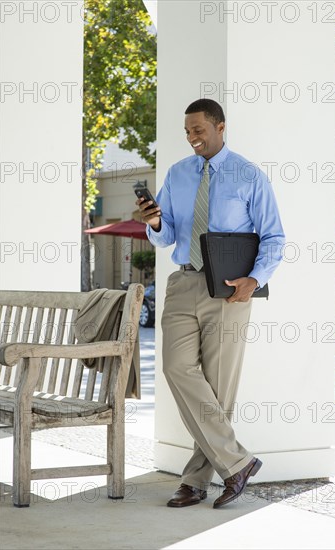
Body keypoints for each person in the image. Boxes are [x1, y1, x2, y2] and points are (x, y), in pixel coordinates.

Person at [137, 98, 285, 509]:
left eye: (198, 129)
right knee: (175, 368)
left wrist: (255, 280)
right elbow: (166, 237)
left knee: (217, 392)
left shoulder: (249, 175)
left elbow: (274, 237)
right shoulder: (178, 174)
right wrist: (154, 222)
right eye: (187, 131)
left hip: (229, 289)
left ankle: (196, 480)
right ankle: (237, 463)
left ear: (221, 127)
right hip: (183, 282)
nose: (191, 138)